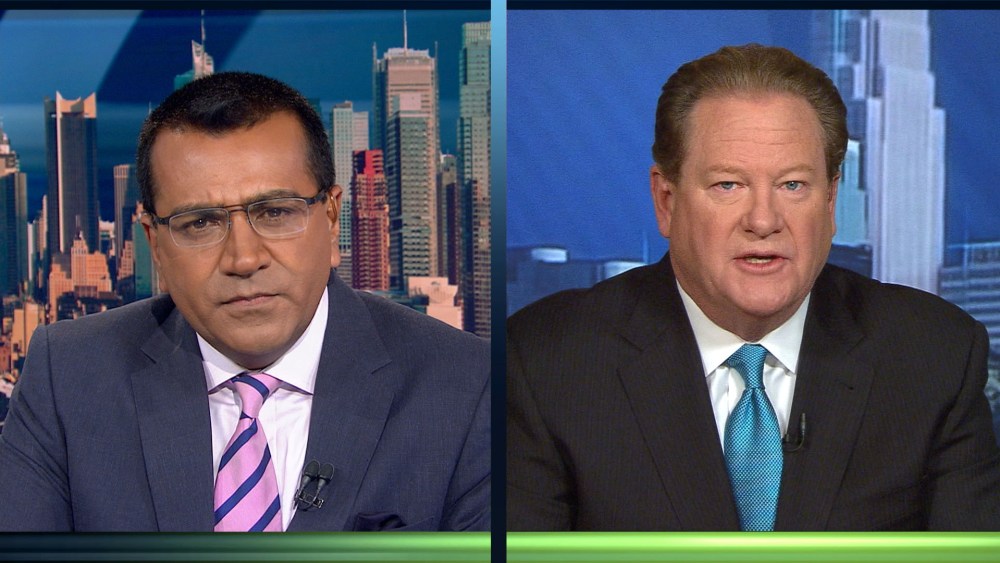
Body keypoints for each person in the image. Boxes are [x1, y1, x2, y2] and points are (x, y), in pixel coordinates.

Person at [507, 44, 1000, 531]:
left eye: (792, 185)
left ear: (831, 202)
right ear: (666, 201)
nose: (763, 221)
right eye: (728, 185)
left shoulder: (933, 356)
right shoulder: (547, 364)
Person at [0, 72, 490, 532]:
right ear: (155, 243)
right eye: (200, 223)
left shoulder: (465, 387)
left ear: (332, 217)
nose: (244, 258)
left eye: (275, 212)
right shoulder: (69, 377)